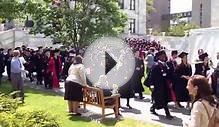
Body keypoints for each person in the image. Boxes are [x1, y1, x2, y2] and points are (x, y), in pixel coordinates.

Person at [148, 50, 174, 119]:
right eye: (162, 56)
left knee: (162, 99)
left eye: (164, 56)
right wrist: (151, 85)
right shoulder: (155, 65)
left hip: (164, 85)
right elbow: (151, 76)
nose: (164, 57)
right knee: (162, 99)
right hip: (158, 86)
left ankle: (152, 108)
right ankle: (167, 114)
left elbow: (167, 74)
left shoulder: (165, 64)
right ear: (159, 57)